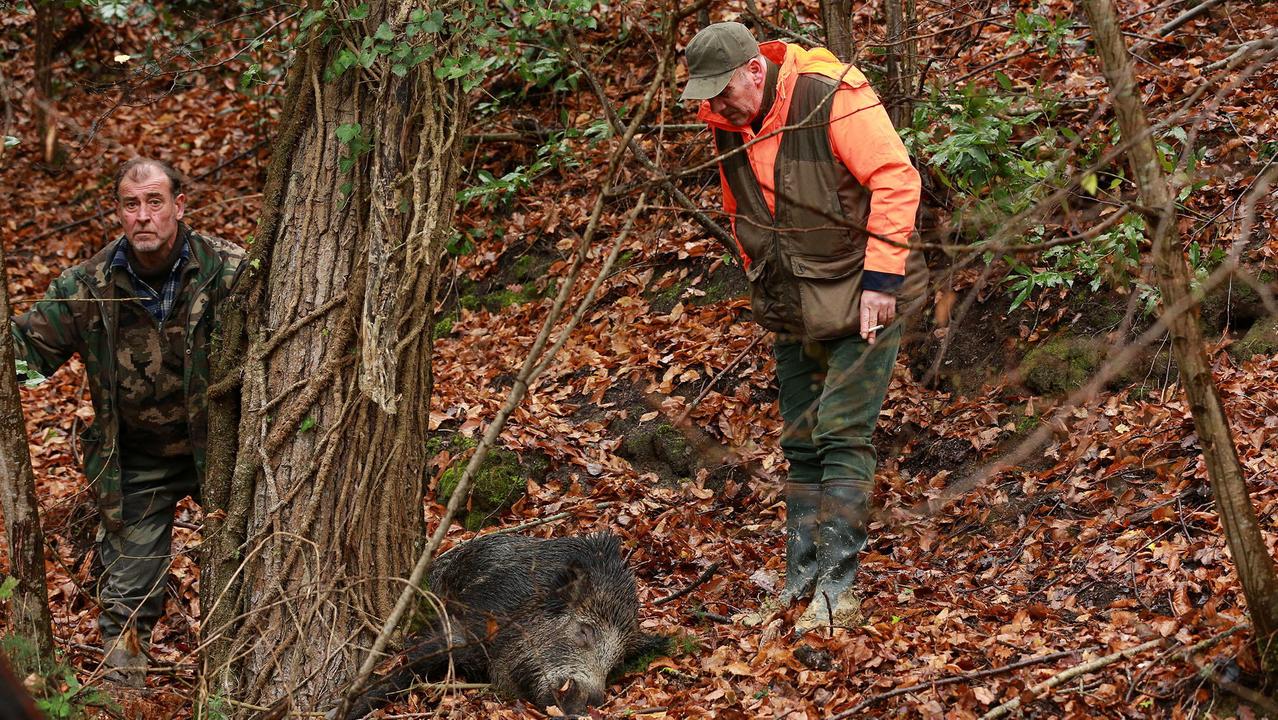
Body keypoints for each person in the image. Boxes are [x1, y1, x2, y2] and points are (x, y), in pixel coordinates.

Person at [680, 22, 923, 632]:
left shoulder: (831, 94)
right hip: (792, 301)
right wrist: (760, 275)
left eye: (722, 90)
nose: (714, 104)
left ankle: (838, 594)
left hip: (862, 287)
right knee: (800, 442)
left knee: (841, 432)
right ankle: (800, 583)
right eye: (706, 94)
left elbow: (896, 177)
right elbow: (740, 211)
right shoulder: (727, 122)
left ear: (755, 72)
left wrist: (883, 281)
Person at [11, 158, 244, 685]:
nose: (143, 216)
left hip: (225, 452)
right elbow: (24, 355)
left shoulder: (228, 271)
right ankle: (125, 691)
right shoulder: (90, 284)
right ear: (118, 212)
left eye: (155, 202)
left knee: (249, 568)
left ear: (178, 206)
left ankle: (237, 682)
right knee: (127, 595)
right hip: (136, 460)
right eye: (131, 204)